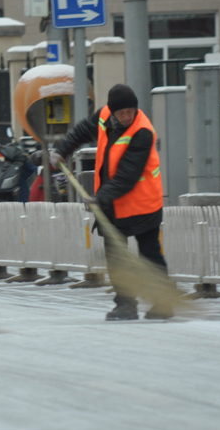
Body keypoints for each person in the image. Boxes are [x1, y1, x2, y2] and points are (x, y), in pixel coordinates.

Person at [51, 84, 172, 321]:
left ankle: (164, 303)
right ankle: (125, 305)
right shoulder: (104, 115)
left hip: (143, 204)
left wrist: (100, 198)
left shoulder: (142, 131)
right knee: (117, 259)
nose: (127, 116)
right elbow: (82, 131)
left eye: (131, 111)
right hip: (113, 206)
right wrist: (62, 150)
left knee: (149, 255)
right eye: (122, 112)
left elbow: (127, 174)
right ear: (112, 111)